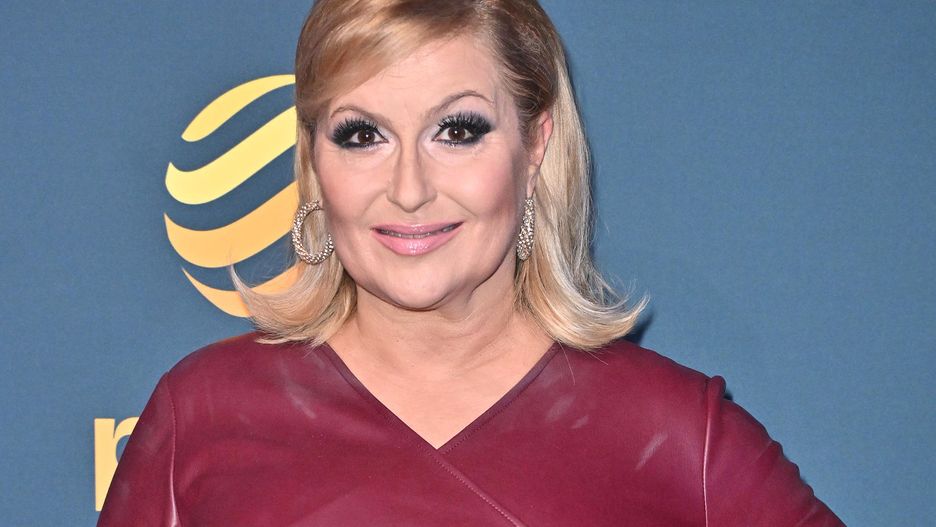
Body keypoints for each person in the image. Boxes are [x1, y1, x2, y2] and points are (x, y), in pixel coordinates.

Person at [99, 0, 844, 525]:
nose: (409, 188)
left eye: (457, 131)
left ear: (536, 145)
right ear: (314, 161)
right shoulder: (202, 413)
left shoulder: (677, 433)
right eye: (362, 135)